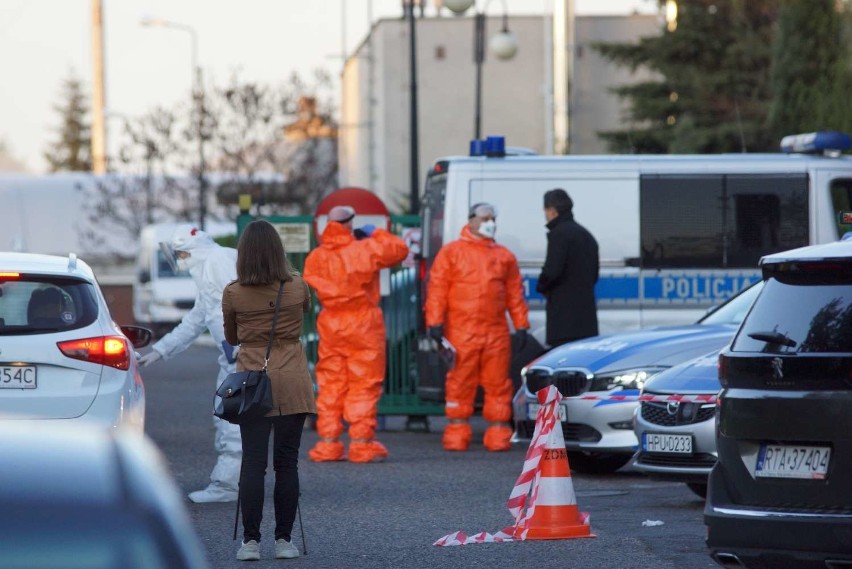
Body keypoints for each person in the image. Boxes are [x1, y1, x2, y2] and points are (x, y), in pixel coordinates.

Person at [222, 220, 316, 562]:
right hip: (292, 379)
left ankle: (250, 542)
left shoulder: (233, 292)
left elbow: (232, 338)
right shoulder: (297, 286)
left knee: (253, 463)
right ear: (279, 251)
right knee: (287, 463)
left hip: (252, 383)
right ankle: (284, 541)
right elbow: (302, 318)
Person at [138, 224, 241, 503]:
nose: (180, 261)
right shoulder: (209, 268)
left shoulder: (218, 262)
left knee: (232, 421)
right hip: (236, 357)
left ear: (192, 251)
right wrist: (159, 350)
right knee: (228, 418)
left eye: (181, 254)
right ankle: (233, 482)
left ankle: (228, 487)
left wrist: (239, 346)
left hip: (242, 357)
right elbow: (196, 320)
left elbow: (241, 305)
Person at [303, 205, 408, 463]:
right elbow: (400, 250)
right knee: (364, 382)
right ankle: (361, 444)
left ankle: (328, 443)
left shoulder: (316, 257)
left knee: (331, 381)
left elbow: (310, 281)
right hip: (363, 323)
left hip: (331, 323)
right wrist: (376, 234)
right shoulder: (365, 249)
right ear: (350, 223)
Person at [425, 202, 529, 452]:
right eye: (484, 218)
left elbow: (515, 293)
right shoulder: (452, 253)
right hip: (462, 331)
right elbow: (437, 289)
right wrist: (435, 322)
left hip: (495, 332)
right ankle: (457, 432)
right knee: (460, 382)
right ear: (471, 220)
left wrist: (521, 325)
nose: (489, 222)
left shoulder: (504, 255)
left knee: (497, 384)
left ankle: (498, 433)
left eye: (492, 218)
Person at [536, 188, 600, 347]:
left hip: (563, 321)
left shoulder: (558, 235)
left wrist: (541, 286)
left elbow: (552, 271)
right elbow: (594, 275)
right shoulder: (586, 235)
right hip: (586, 320)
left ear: (552, 211)